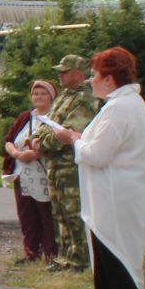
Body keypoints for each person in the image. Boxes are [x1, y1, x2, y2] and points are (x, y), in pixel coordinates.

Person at [51, 47, 145, 289]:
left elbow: (97, 155)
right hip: (107, 203)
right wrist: (81, 137)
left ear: (110, 79)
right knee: (106, 272)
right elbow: (99, 144)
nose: (92, 81)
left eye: (95, 76)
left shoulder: (121, 108)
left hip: (116, 203)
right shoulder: (119, 105)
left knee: (119, 270)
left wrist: (72, 140)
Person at [0, 79, 59, 267]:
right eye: (35, 94)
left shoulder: (55, 118)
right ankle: (31, 253)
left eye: (42, 93)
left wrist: (34, 154)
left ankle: (50, 255)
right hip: (22, 174)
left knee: (46, 216)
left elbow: (57, 143)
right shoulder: (25, 117)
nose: (38, 97)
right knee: (26, 215)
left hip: (45, 176)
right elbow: (9, 140)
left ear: (51, 96)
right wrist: (17, 154)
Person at [48, 53, 98, 270]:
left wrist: (44, 142)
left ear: (78, 74)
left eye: (64, 71)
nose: (60, 75)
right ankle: (64, 256)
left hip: (70, 163)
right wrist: (38, 139)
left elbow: (70, 131)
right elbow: (48, 124)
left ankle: (79, 259)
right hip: (55, 164)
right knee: (59, 211)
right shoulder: (64, 96)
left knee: (73, 211)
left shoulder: (85, 98)